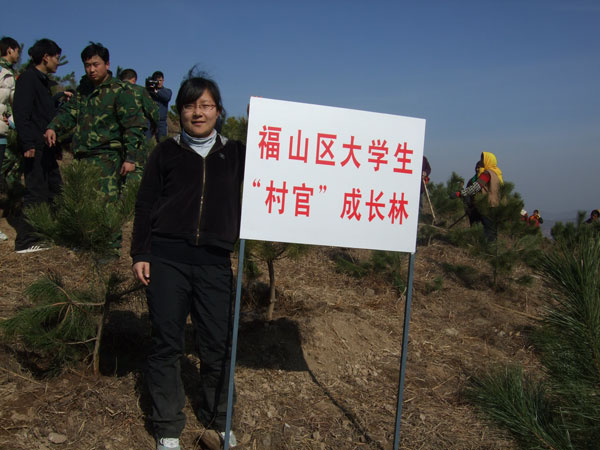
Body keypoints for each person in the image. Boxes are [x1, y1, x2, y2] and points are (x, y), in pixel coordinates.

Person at [131, 75, 244, 450]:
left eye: (206, 105)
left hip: (214, 261)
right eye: (191, 105)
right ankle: (167, 426)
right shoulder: (165, 152)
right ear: (180, 110)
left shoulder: (235, 154)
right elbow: (146, 204)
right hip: (167, 260)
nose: (199, 113)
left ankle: (219, 417)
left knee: (217, 343)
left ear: (218, 110)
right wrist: (141, 253)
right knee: (166, 342)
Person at [45, 42, 146, 200]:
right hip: (82, 159)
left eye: (95, 64)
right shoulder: (83, 91)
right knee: (82, 210)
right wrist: (53, 128)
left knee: (105, 212)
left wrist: (130, 158)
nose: (91, 70)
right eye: (87, 65)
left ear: (107, 64)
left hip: (108, 161)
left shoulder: (120, 91)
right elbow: (70, 112)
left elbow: (133, 126)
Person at [12, 39, 69, 253]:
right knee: (36, 192)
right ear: (46, 56)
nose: (57, 62)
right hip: (34, 145)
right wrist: (27, 142)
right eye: (56, 57)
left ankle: (50, 232)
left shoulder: (43, 82)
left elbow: (42, 111)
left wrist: (57, 99)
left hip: (46, 147)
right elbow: (21, 112)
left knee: (56, 190)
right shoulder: (28, 79)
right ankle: (25, 241)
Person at [451, 151, 503, 241]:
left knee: (485, 231)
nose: (481, 160)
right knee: (492, 230)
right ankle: (492, 252)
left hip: (486, 205)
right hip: (495, 206)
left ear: (488, 160)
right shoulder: (497, 174)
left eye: (483, 158)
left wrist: (459, 193)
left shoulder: (487, 174)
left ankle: (484, 250)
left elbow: (475, 187)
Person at [118, 68, 159, 179]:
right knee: (136, 172)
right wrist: (155, 128)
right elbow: (154, 112)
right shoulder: (140, 91)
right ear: (134, 79)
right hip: (136, 138)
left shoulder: (114, 91)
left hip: (115, 141)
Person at [0, 36, 20, 242]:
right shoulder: (4, 73)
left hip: (3, 132)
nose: (18, 55)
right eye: (17, 51)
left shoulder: (10, 73)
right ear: (10, 50)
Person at [147, 70, 172, 141]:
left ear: (163, 80)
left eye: (160, 80)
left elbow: (166, 97)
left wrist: (156, 91)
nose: (159, 82)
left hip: (161, 121)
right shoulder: (148, 92)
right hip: (149, 120)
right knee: (146, 141)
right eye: (157, 81)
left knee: (162, 142)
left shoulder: (167, 91)